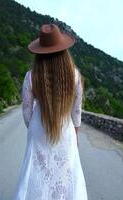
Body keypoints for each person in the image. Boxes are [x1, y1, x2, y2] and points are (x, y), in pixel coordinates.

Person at [12, 23, 88, 200]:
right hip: (65, 130)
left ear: (39, 52)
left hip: (38, 128)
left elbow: (26, 110)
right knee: (65, 173)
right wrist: (75, 132)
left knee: (37, 173)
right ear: (63, 50)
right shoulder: (74, 75)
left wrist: (33, 128)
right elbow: (77, 110)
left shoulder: (31, 76)